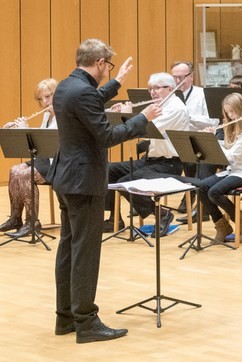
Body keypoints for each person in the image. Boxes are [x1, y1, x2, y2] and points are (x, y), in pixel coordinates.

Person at [47, 39, 161, 343]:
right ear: (99, 63)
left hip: (66, 175)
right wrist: (143, 119)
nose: (106, 71)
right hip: (83, 179)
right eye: (107, 66)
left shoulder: (65, 85)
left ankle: (65, 318)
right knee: (85, 252)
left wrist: (117, 82)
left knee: (69, 247)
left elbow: (90, 100)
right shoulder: (82, 91)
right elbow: (107, 136)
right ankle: (86, 321)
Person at [102, 71, 192, 235]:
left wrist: (129, 116)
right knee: (107, 170)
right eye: (151, 89)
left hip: (169, 163)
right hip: (150, 160)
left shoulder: (176, 109)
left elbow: (146, 129)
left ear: (170, 88)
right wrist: (121, 115)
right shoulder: (157, 106)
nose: (152, 92)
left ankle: (163, 214)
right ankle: (114, 219)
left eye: (157, 88)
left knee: (126, 182)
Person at [195, 93, 242, 244]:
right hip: (234, 170)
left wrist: (212, 142)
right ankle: (221, 225)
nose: (231, 116)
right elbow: (227, 147)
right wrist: (212, 137)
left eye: (233, 111)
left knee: (214, 192)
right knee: (201, 187)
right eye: (228, 112)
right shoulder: (232, 126)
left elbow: (231, 155)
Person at [1, 78, 58, 238]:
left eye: (48, 96)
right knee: (14, 170)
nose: (44, 102)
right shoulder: (47, 115)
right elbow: (39, 142)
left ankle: (32, 222)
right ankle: (15, 218)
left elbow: (49, 143)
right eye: (41, 99)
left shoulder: (63, 114)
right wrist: (21, 130)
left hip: (58, 161)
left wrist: (26, 129)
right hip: (46, 158)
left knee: (25, 174)